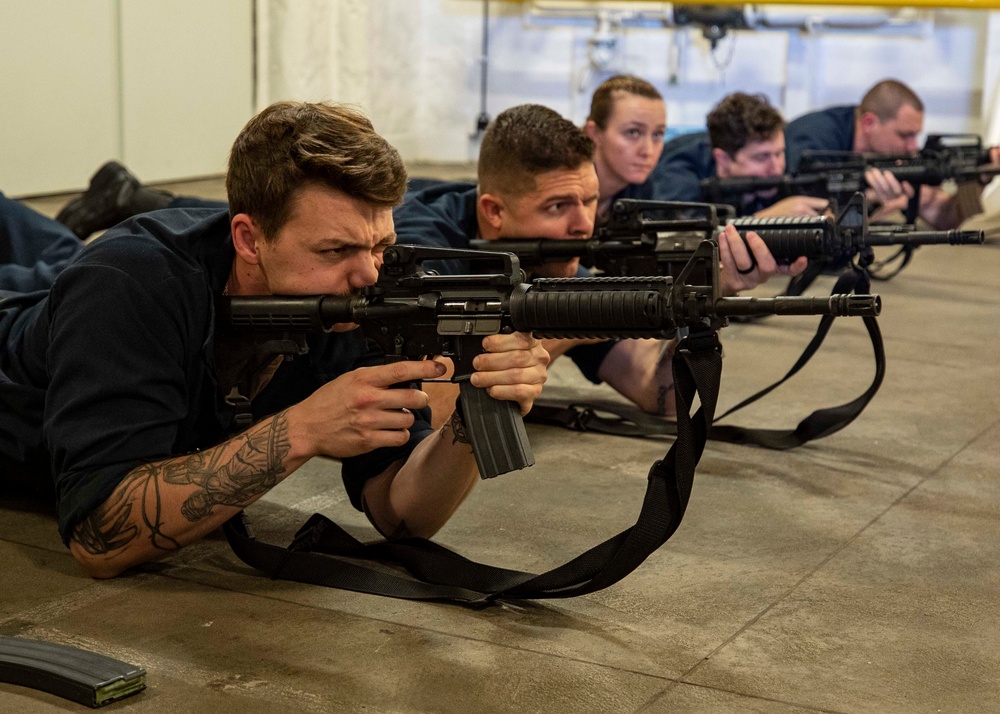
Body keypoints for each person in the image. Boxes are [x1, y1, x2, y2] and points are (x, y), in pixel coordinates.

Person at [0, 100, 549, 579]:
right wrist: (302, 429)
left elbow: (401, 512)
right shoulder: (129, 285)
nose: (369, 275)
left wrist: (471, 419)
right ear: (249, 239)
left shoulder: (349, 305)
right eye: (336, 251)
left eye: (380, 246)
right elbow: (100, 537)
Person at [392, 103, 807, 421]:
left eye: (590, 201)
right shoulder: (422, 253)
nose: (583, 225)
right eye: (558, 206)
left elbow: (658, 392)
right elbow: (423, 411)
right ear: (494, 212)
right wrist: (560, 328)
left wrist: (714, 288)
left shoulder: (555, 263)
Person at [784, 78, 1000, 229]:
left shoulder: (890, 158)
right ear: (869, 123)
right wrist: (872, 202)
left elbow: (944, 219)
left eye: (915, 136)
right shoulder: (815, 140)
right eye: (905, 135)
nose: (912, 147)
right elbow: (809, 221)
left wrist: (980, 177)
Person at [648, 92, 830, 218]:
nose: (777, 167)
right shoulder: (678, 170)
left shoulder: (779, 169)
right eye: (761, 158)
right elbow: (682, 238)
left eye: (780, 153)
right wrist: (762, 220)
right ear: (723, 159)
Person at [583, 74, 667, 219]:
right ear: (595, 133)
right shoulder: (558, 185)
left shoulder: (645, 192)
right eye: (633, 132)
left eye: (657, 134)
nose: (648, 151)